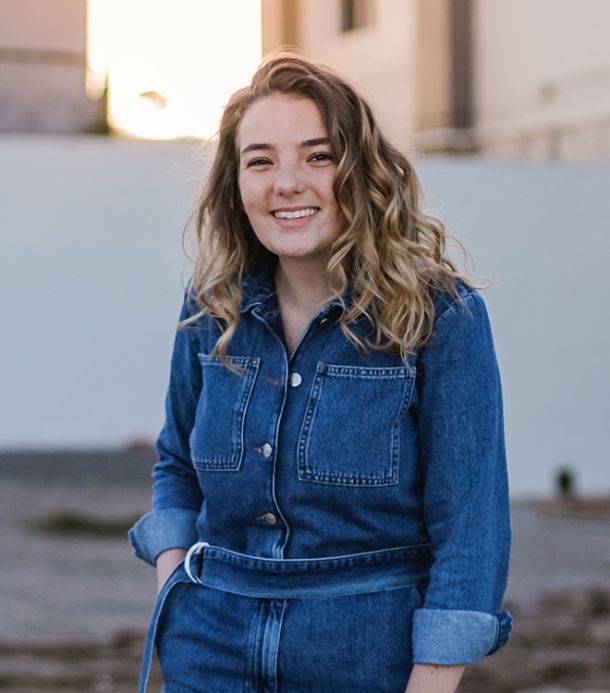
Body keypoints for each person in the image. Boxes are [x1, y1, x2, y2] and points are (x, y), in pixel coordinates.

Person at [129, 52, 511, 693]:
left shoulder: (440, 317)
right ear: (235, 185)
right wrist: (176, 583)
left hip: (366, 657)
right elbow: (177, 464)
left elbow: (471, 528)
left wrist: (433, 679)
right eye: (260, 161)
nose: (287, 183)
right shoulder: (210, 305)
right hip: (209, 648)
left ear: (361, 170)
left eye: (318, 156)